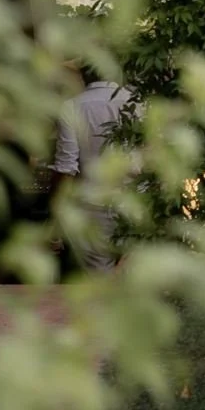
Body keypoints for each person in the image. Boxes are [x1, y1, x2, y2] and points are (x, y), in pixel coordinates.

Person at [54, 76, 135, 271]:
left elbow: (67, 167)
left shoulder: (71, 107)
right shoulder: (138, 102)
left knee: (99, 277)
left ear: (82, 74)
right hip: (135, 200)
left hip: (92, 204)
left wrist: (57, 216)